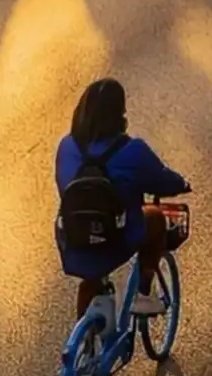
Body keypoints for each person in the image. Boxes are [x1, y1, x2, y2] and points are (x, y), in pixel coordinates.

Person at [55, 78, 191, 319]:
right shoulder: (132, 150)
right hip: (115, 241)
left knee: (91, 277)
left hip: (73, 240)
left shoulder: (67, 146)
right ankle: (143, 296)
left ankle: (84, 337)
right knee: (155, 218)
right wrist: (181, 184)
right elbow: (162, 181)